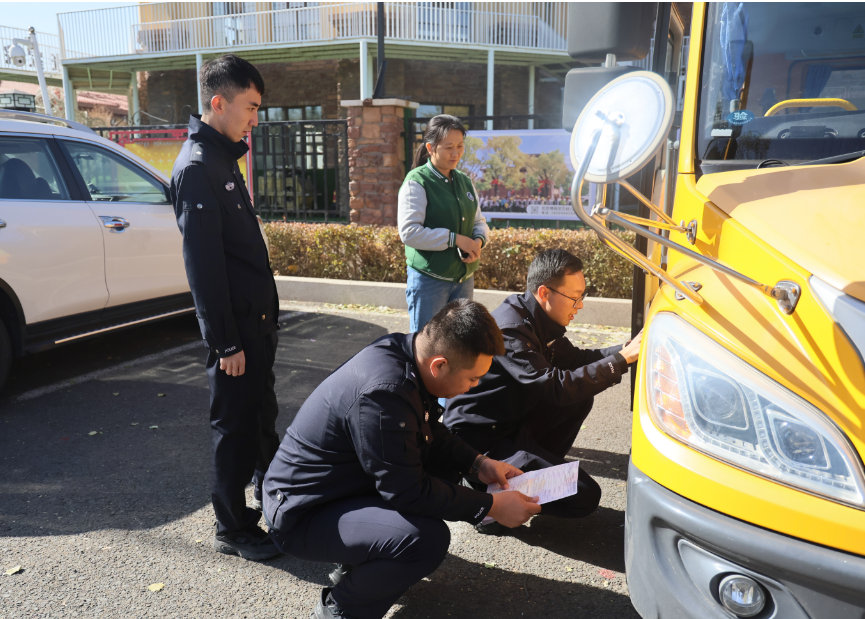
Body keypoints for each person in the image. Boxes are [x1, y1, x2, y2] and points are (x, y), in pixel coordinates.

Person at [263, 300, 542, 619]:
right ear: (440, 365)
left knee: (440, 472)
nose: (474, 386)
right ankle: (339, 609)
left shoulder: (406, 352)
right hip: (301, 513)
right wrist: (490, 506)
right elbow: (408, 492)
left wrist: (479, 464)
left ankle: (357, 562)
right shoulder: (384, 393)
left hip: (335, 490)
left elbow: (428, 429)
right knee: (425, 541)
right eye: (472, 378)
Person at [443, 249, 643, 533]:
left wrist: (625, 350)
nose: (580, 305)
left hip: (510, 422)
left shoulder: (535, 316)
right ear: (545, 292)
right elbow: (556, 387)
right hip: (482, 442)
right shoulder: (510, 330)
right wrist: (621, 361)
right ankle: (490, 505)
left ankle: (532, 474)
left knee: (579, 397)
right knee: (585, 496)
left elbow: (575, 360)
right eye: (575, 297)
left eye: (583, 296)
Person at [170, 54, 281, 561]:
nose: (255, 118)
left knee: (259, 420)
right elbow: (205, 267)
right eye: (250, 107)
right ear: (219, 103)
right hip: (237, 332)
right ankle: (232, 527)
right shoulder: (198, 168)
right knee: (234, 429)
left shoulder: (221, 158)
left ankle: (275, 502)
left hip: (257, 323)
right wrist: (225, 342)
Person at [398, 115, 489, 333]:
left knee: (460, 343)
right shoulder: (417, 181)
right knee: (426, 343)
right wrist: (455, 239)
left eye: (460, 146)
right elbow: (409, 232)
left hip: (464, 279)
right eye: (449, 147)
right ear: (430, 148)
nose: (456, 153)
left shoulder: (465, 181)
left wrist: (477, 241)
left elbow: (478, 221)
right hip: (429, 280)